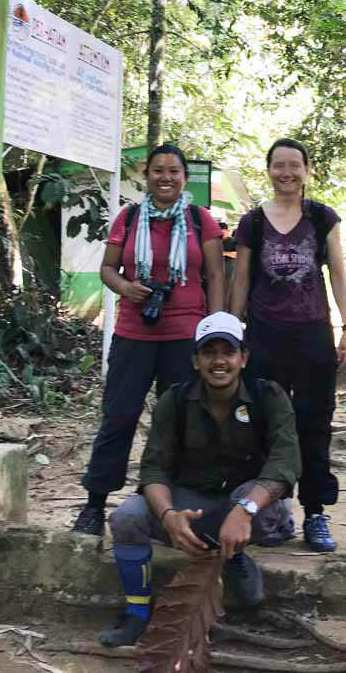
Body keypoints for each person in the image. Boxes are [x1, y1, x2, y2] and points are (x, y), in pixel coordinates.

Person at [99, 312, 301, 647]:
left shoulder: (269, 396)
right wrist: (168, 515)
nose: (219, 361)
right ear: (196, 360)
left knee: (253, 505)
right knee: (126, 519)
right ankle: (137, 612)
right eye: (209, 352)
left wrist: (244, 510)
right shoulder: (174, 401)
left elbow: (286, 462)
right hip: (194, 504)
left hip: (253, 507)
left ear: (243, 358)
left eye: (228, 351)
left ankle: (234, 552)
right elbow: (153, 469)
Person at [72, 144, 226, 536]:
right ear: (147, 176)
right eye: (158, 170)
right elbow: (108, 268)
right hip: (134, 333)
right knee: (118, 417)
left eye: (173, 171)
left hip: (184, 336)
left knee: (181, 422)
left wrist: (217, 331)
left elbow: (215, 276)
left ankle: (172, 505)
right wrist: (127, 286)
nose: (165, 177)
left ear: (184, 178)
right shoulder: (130, 216)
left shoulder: (200, 220)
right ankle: (94, 504)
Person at [229, 138, 346, 553]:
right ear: (268, 171)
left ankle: (315, 513)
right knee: (263, 424)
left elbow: (337, 273)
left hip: (313, 334)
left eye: (294, 165)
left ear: (306, 170)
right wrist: (233, 332)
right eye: (278, 165)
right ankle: (271, 512)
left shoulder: (322, 218)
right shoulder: (252, 222)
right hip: (264, 335)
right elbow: (241, 279)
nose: (286, 172)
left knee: (315, 424)